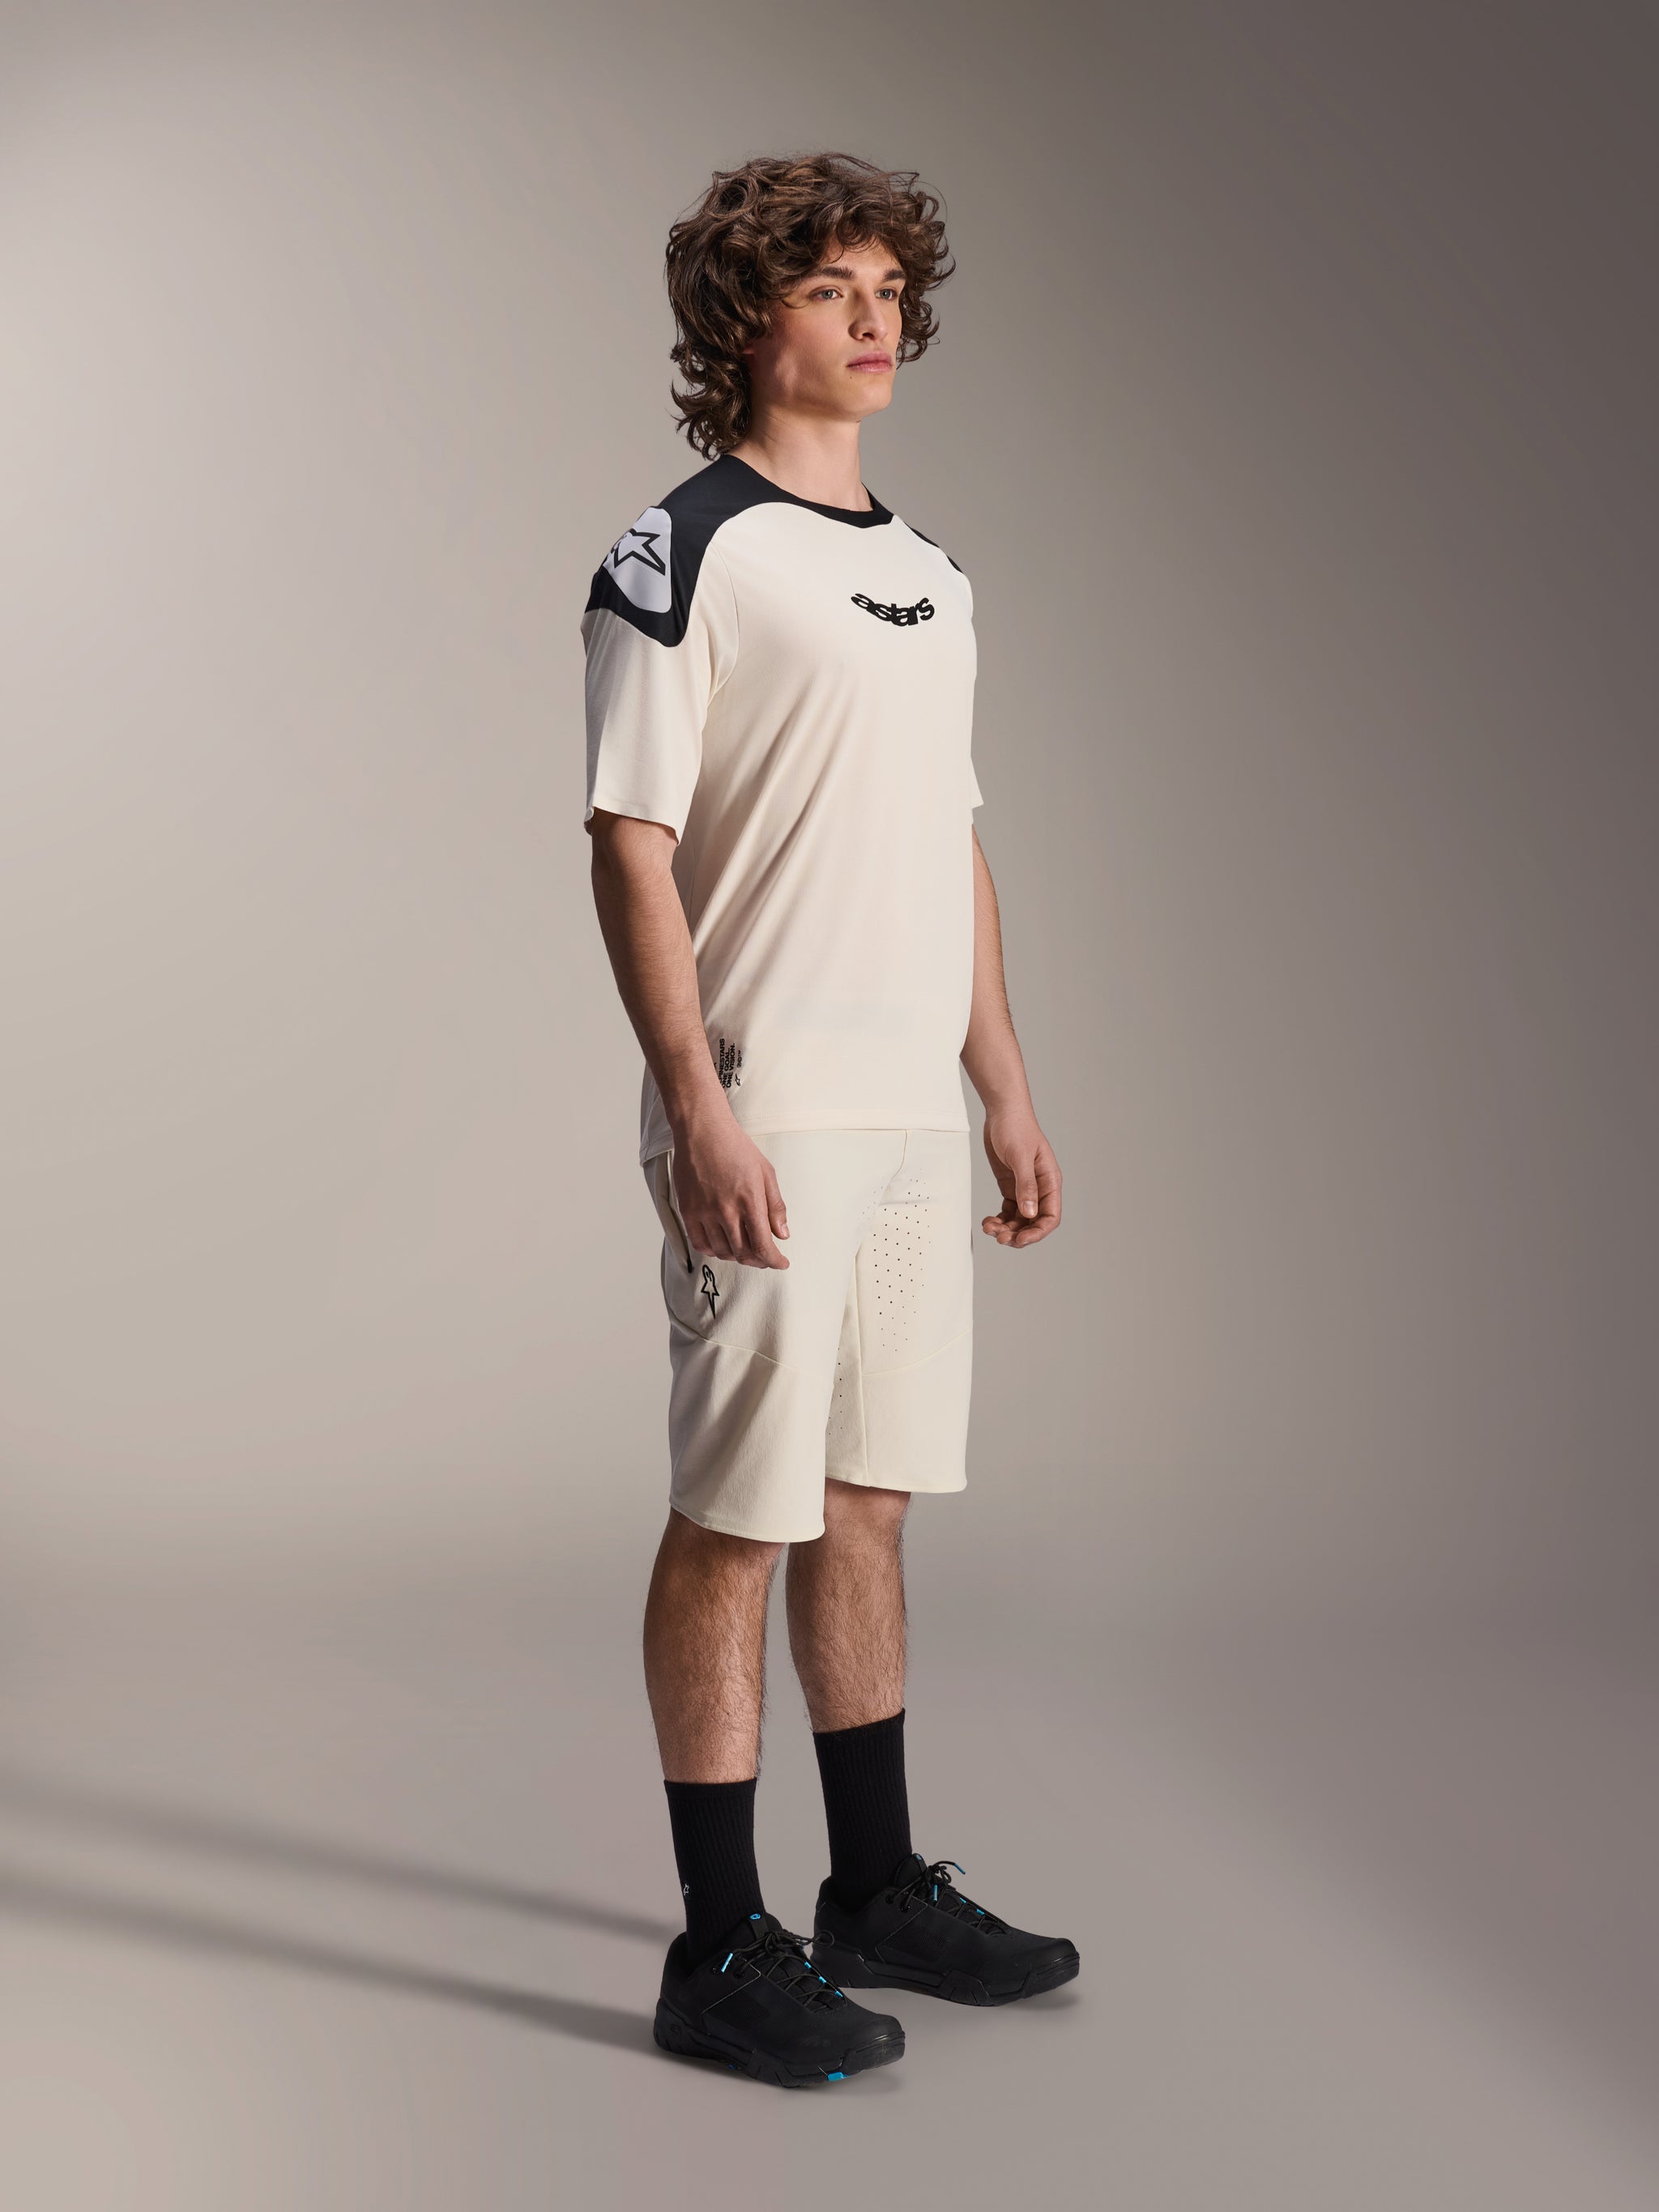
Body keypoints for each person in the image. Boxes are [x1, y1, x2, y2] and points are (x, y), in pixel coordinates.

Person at [582, 151, 1076, 2090]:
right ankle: (717, 1944)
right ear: (746, 323)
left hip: (910, 1120)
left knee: (866, 1501)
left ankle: (871, 1888)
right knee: (739, 1513)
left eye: (888, 291)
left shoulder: (933, 575)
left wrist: (1002, 1082)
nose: (873, 322)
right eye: (827, 290)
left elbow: (951, 840)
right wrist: (697, 1103)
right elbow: (629, 842)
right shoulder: (682, 549)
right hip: (768, 1106)